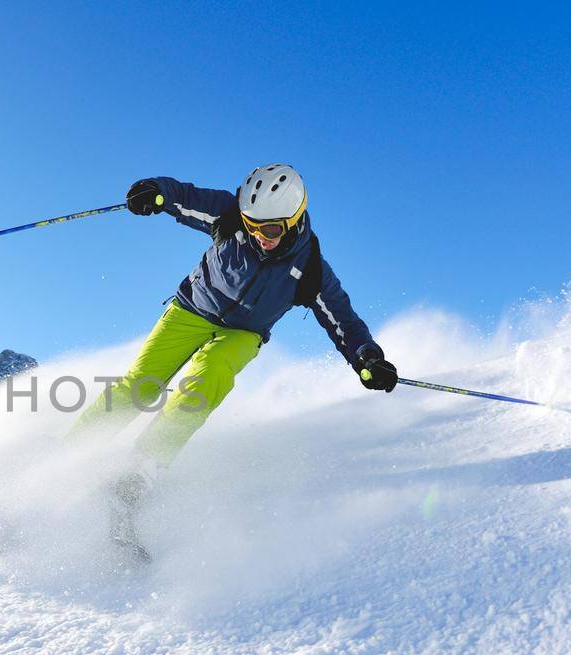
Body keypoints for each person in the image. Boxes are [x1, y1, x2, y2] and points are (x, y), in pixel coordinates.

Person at [71, 164, 397, 546]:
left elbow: (343, 319)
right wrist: (155, 192)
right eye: (252, 225)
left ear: (293, 220)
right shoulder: (230, 217)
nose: (260, 237)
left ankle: (136, 478)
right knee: (141, 385)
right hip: (191, 309)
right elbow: (183, 197)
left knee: (206, 383)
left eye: (271, 229)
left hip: (242, 333)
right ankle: (69, 458)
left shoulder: (310, 269)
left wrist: (366, 358)